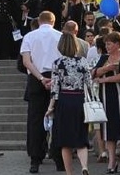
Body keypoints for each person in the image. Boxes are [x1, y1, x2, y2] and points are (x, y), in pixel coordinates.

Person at [20, 11, 64, 174]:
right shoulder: (61, 36)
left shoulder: (29, 37)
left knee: (35, 120)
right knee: (59, 119)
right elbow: (63, 60)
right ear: (53, 21)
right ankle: (59, 159)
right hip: (56, 79)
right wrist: (54, 79)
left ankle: (35, 160)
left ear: (39, 21)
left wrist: (40, 78)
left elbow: (26, 61)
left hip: (36, 80)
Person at [46, 31, 93, 175]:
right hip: (79, 99)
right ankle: (84, 166)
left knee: (64, 141)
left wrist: (50, 107)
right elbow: (89, 84)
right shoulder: (83, 61)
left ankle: (69, 173)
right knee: (81, 137)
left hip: (64, 100)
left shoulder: (58, 63)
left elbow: (55, 88)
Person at [93, 31, 120, 174]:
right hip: (106, 97)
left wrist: (106, 79)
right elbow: (93, 73)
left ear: (118, 44)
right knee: (109, 130)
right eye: (106, 44)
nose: (107, 46)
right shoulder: (104, 58)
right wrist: (106, 69)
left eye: (109, 44)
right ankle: (111, 160)